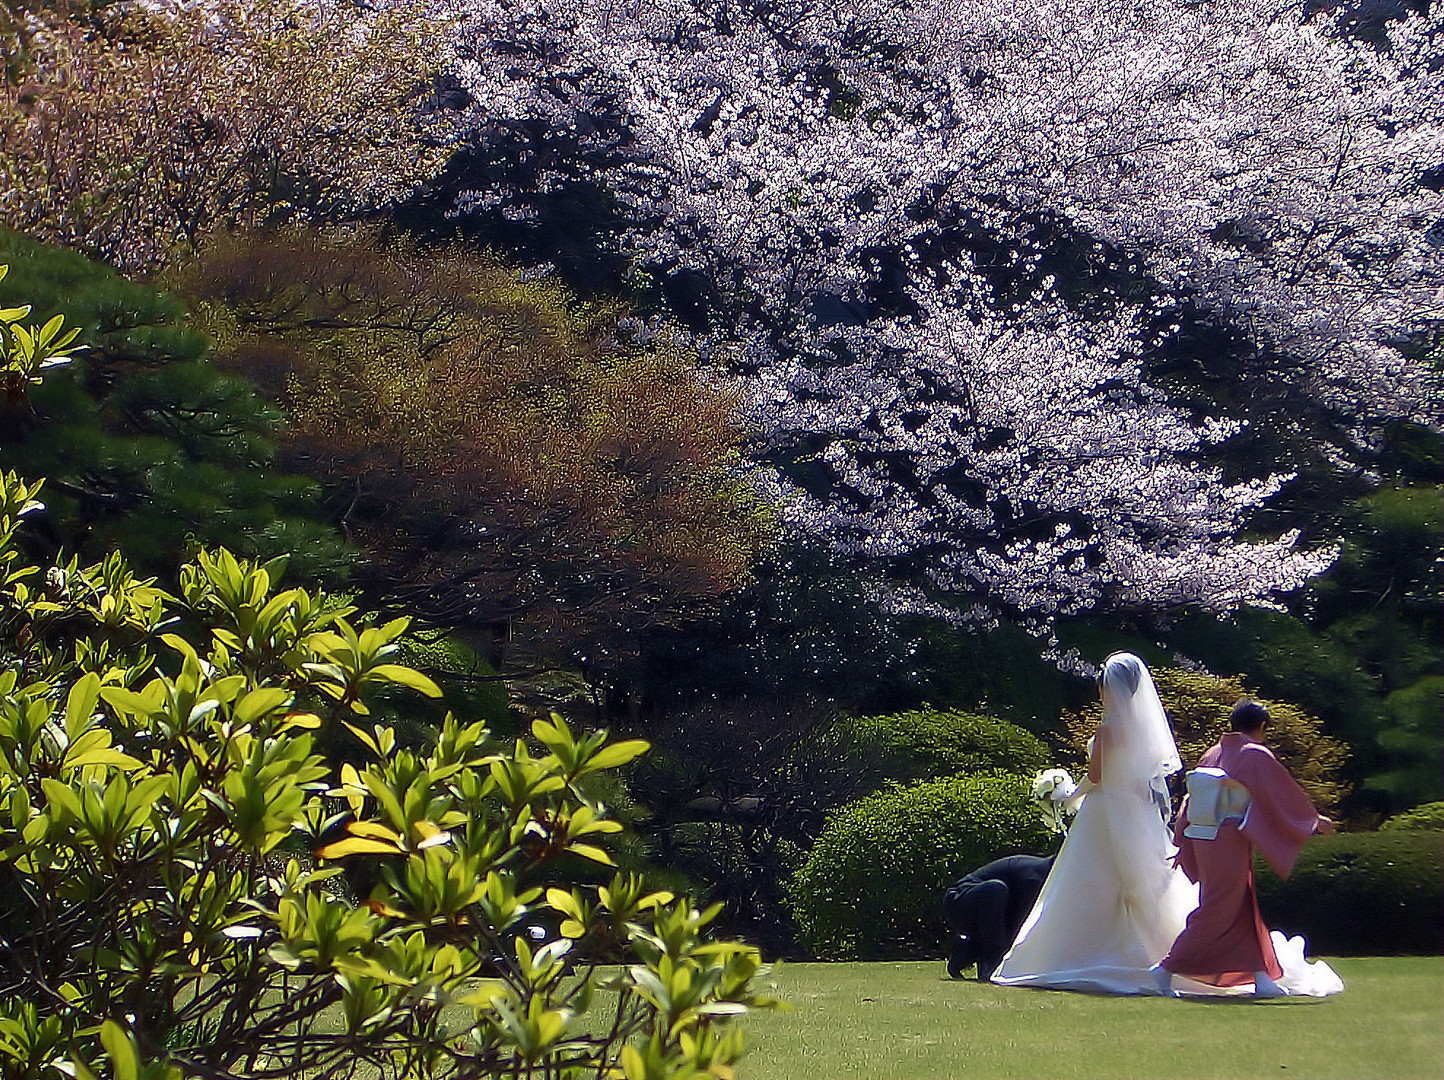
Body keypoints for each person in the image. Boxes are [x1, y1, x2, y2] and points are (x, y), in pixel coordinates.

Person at [991, 652, 1198, 994]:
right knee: (1140, 887)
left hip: (1103, 814)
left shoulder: (1108, 728)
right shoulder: (1143, 730)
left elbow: (1096, 776)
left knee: (1086, 884)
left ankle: (1072, 957)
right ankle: (1166, 953)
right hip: (1134, 814)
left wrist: (1067, 794)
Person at [1158, 699, 1344, 998]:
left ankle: (1261, 978)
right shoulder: (1254, 754)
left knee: (1242, 906)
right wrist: (1311, 820)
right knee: (1217, 909)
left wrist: (1183, 838)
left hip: (1205, 836)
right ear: (1260, 726)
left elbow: (1190, 801)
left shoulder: (1212, 753)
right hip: (1228, 838)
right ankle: (1165, 969)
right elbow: (1278, 795)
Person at [941, 854, 1056, 980]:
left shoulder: (1045, 877)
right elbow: (1021, 924)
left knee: (1000, 907)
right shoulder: (1034, 878)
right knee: (995, 889)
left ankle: (964, 954)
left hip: (983, 908)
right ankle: (991, 965)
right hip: (959, 901)